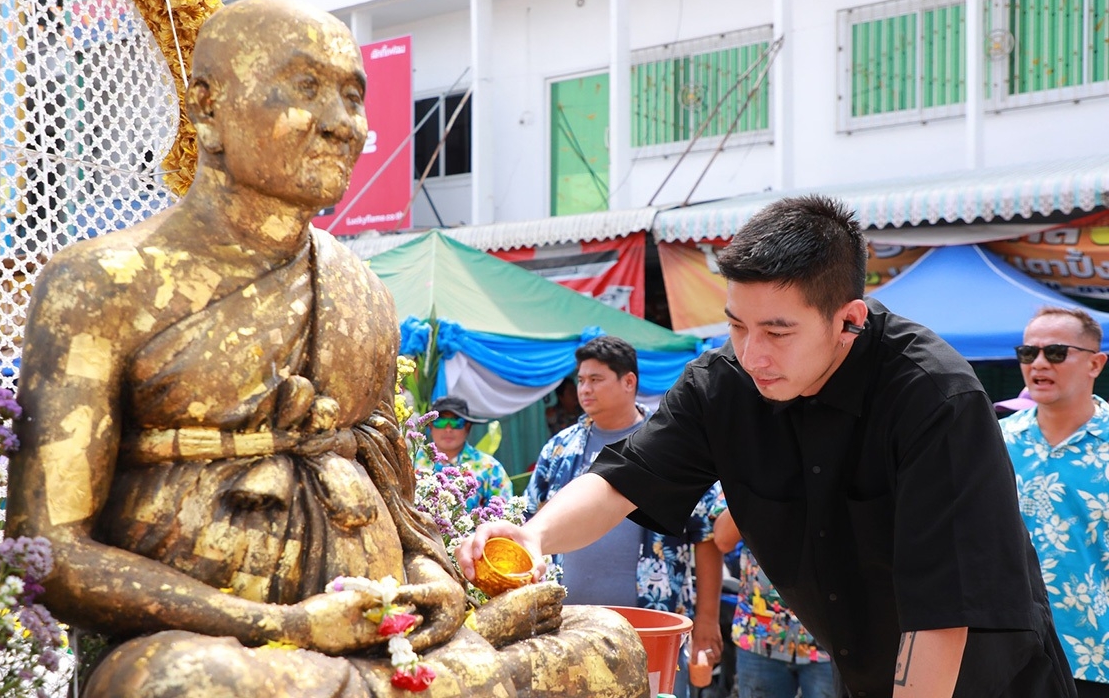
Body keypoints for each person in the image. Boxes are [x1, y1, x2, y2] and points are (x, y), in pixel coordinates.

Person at [7, 0, 648, 697]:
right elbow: (49, 554)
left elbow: (398, 512)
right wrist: (279, 623)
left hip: (379, 640)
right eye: (306, 88)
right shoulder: (103, 282)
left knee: (606, 644)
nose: (343, 124)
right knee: (176, 684)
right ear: (207, 106)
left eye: (353, 96)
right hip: (233, 652)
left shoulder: (360, 289)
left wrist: (434, 586)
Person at [460, 195, 1077, 698]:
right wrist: (535, 537)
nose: (752, 354)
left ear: (848, 320)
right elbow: (628, 474)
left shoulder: (932, 397)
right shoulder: (726, 382)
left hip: (985, 676)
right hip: (862, 668)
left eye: (778, 331)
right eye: (736, 325)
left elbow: (945, 610)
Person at [525, 335, 726, 692]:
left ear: (629, 381)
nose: (584, 389)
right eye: (581, 380)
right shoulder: (560, 447)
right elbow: (532, 521)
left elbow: (706, 535)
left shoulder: (669, 443)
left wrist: (707, 621)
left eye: (596, 379)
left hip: (652, 629)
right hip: (568, 629)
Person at [1000, 306, 1109, 698]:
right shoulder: (992, 442)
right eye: (1028, 353)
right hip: (1007, 660)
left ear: (1095, 364)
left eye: (1056, 353)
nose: (1039, 363)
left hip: (1095, 660)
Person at [713, 503, 836, 698]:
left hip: (830, 641)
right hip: (760, 638)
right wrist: (755, 478)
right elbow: (722, 540)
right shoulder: (749, 472)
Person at [413, 395, 512, 510]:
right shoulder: (410, 462)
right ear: (430, 426)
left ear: (467, 427)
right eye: (441, 422)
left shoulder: (490, 468)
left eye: (456, 423)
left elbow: (505, 514)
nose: (448, 429)